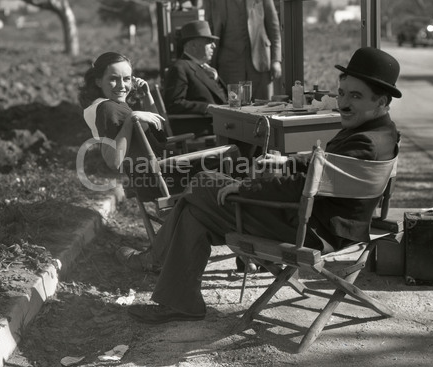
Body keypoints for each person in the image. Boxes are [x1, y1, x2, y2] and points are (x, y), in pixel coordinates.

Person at [121, 46, 402, 324]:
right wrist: (287, 162)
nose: (343, 103)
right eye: (342, 93)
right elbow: (326, 168)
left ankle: (158, 261)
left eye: (356, 96)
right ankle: (179, 298)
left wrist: (245, 189)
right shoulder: (381, 132)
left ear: (381, 101)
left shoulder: (365, 142)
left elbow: (302, 186)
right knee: (195, 213)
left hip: (314, 230)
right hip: (319, 219)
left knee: (204, 182)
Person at [203, 0, 282, 101]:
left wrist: (276, 60)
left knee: (264, 109)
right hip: (227, 65)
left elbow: (273, 27)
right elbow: (208, 32)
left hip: (260, 63)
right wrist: (206, 64)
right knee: (235, 111)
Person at [78, 51, 166, 172]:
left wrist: (146, 96)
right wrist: (131, 119)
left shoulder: (114, 105)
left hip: (160, 168)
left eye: (126, 79)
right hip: (158, 174)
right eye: (113, 79)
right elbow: (113, 162)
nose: (121, 85)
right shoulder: (108, 108)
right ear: (98, 81)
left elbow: (159, 131)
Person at [164, 20, 228, 115]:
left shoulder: (206, 69)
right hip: (204, 126)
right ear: (193, 45)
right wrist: (208, 108)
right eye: (209, 41)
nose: (214, 46)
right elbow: (174, 104)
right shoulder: (180, 68)